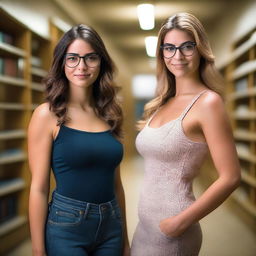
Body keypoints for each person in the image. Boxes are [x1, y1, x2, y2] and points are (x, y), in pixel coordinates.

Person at [131, 12, 241, 256]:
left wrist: (178, 223)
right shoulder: (162, 102)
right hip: (144, 229)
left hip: (173, 233)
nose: (177, 56)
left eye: (187, 47)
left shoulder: (208, 103)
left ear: (200, 50)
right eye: (169, 48)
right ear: (161, 53)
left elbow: (230, 176)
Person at [28, 24, 130, 256]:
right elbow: (39, 188)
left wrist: (124, 241)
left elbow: (117, 185)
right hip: (66, 227)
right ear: (61, 63)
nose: (81, 66)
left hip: (111, 226)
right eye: (72, 58)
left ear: (101, 62)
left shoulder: (111, 112)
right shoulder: (47, 114)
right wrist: (37, 250)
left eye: (90, 58)